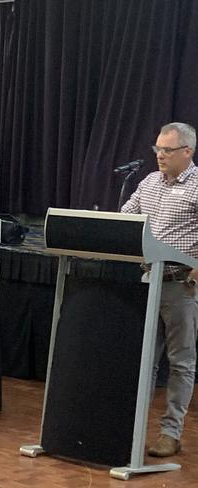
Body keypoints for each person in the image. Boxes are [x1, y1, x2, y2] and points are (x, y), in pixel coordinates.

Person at [121, 122, 198, 457]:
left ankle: (171, 432)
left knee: (180, 361)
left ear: (187, 151)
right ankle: (133, 426)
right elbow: (126, 218)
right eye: (157, 149)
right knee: (142, 360)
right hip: (147, 281)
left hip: (182, 285)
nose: (160, 156)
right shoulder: (149, 182)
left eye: (167, 150)